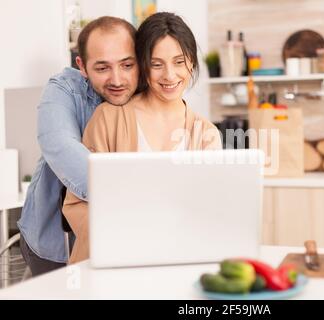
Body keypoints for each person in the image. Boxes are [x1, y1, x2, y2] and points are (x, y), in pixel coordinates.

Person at [62, 12, 222, 264]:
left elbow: (210, 209)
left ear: (191, 61)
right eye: (157, 64)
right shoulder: (109, 118)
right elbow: (76, 204)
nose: (170, 75)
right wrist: (124, 236)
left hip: (177, 260)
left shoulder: (206, 133)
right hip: (115, 261)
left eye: (179, 61)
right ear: (142, 64)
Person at [18, 16, 139, 276]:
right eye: (102, 68)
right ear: (82, 66)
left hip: (126, 243)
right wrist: (141, 198)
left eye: (127, 65)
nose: (117, 79)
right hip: (54, 243)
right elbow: (60, 146)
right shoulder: (63, 89)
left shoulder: (146, 95)